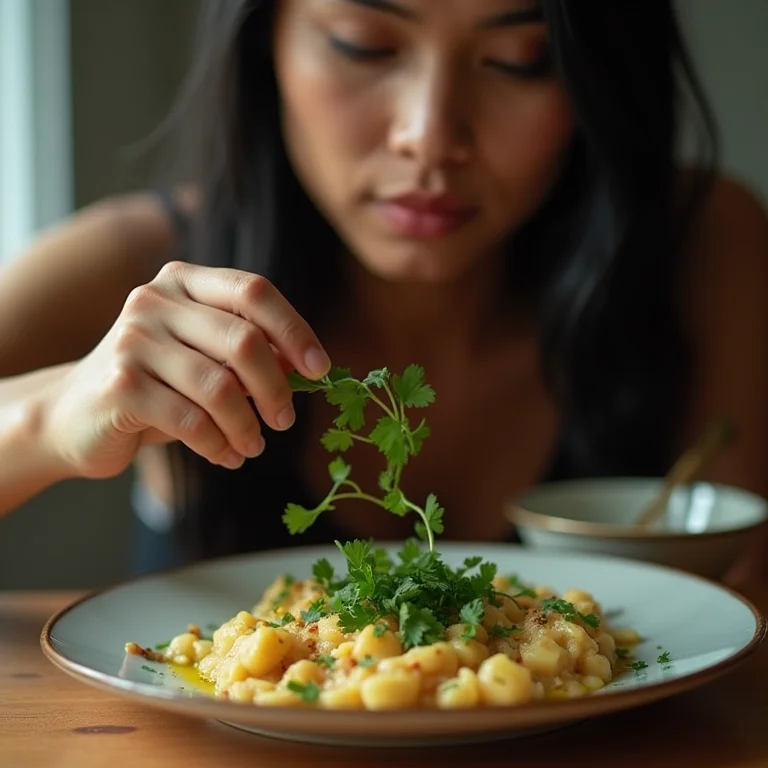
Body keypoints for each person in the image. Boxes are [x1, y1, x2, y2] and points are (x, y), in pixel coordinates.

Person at [0, 0, 765, 583]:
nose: (429, 136)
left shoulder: (702, 245)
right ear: (267, 38)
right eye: (363, 45)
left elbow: (738, 599)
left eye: (520, 60)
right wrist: (48, 419)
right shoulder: (135, 263)